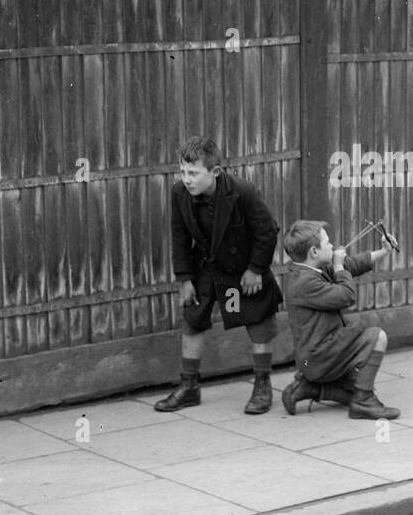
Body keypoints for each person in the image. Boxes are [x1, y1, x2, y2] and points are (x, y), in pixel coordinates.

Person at [154, 136, 283, 414]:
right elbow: (179, 237)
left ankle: (262, 386)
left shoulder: (242, 191)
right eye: (183, 172)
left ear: (215, 172)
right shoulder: (179, 194)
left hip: (242, 269)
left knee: (258, 320)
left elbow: (267, 231)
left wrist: (255, 270)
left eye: (194, 173)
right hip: (205, 267)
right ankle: (189, 386)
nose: (186, 180)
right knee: (193, 319)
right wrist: (185, 278)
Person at [278, 220, 400, 421]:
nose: (332, 246)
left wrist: (384, 251)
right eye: (327, 243)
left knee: (355, 387)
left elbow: (350, 265)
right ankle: (364, 403)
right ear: (314, 252)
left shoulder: (307, 270)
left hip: (315, 357)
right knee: (377, 337)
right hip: (319, 357)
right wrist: (338, 265)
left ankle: (311, 388)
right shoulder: (305, 283)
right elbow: (346, 296)